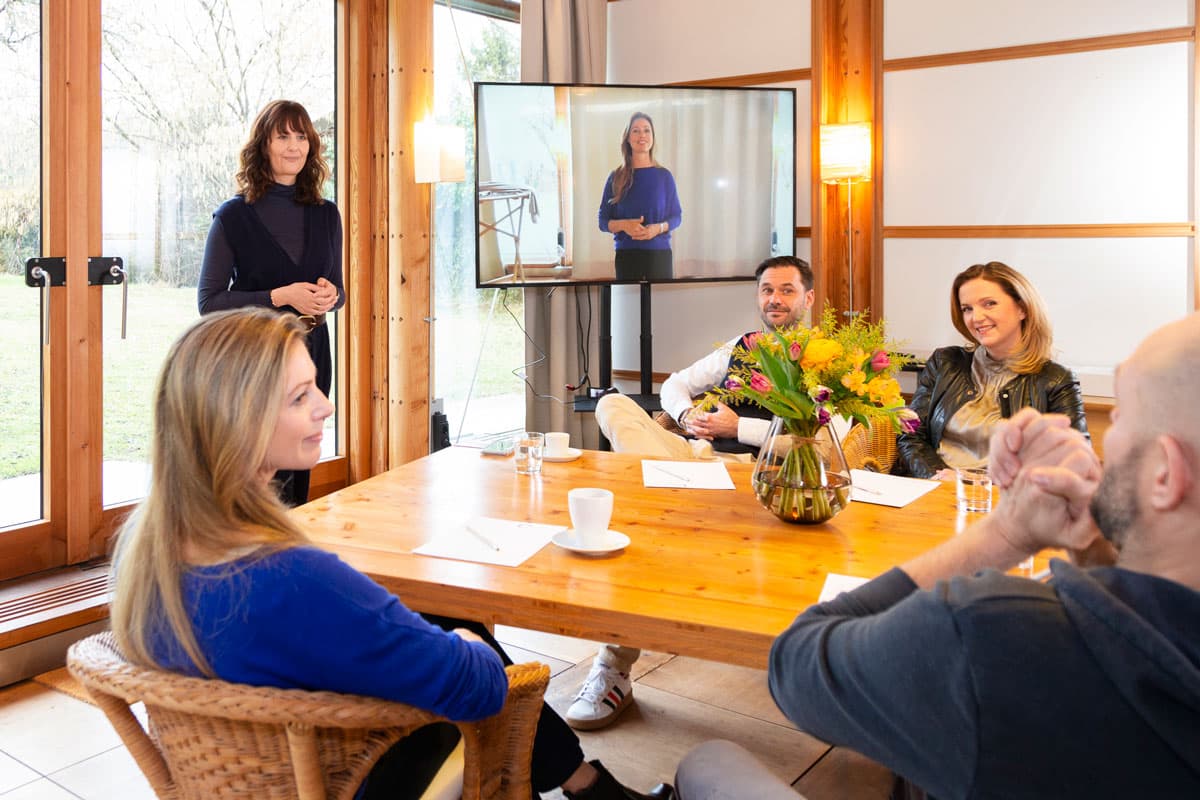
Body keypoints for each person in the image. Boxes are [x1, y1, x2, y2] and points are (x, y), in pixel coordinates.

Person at [109, 308, 673, 800]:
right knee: (479, 653)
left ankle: (588, 787)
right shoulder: (289, 576)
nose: (326, 407)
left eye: (316, 386)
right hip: (343, 779)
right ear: (236, 419)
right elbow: (477, 686)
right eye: (300, 396)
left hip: (243, 774)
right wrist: (472, 647)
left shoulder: (146, 547)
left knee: (443, 616)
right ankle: (588, 788)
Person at [676, 312, 1200, 798]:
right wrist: (1093, 541)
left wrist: (1006, 532)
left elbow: (797, 666)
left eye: (1125, 416)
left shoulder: (990, 629)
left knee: (709, 762)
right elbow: (914, 435)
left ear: (1164, 474)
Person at [567, 256, 814, 733]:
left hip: (751, 471)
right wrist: (684, 417)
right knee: (614, 403)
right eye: (766, 290)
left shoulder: (824, 357)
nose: (774, 300)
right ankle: (661, 488)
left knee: (641, 526)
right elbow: (676, 383)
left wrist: (737, 425)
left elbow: (825, 439)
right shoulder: (743, 345)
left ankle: (613, 660)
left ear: (807, 298)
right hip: (692, 456)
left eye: (786, 291)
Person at [198, 99, 344, 507]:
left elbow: (339, 291)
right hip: (257, 358)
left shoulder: (327, 214)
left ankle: (292, 547)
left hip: (312, 351)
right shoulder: (232, 217)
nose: (294, 146)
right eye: (283, 137)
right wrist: (280, 297)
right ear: (263, 145)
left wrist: (332, 297)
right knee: (259, 471)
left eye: (302, 137)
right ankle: (254, 556)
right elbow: (209, 303)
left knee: (299, 463)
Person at [897, 261, 1087, 479]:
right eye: (967, 308)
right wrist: (937, 477)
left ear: (1022, 308)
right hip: (935, 492)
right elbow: (911, 433)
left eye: (989, 304)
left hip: (1007, 502)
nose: (976, 318)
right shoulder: (945, 362)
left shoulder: (1056, 379)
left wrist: (982, 484)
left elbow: (1074, 462)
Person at [598, 112, 682, 282]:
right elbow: (602, 221)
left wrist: (657, 229)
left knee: (660, 307)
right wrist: (624, 225)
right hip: (627, 257)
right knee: (630, 308)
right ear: (628, 138)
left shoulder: (664, 176)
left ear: (653, 137)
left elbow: (677, 217)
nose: (642, 135)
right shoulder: (615, 177)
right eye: (636, 131)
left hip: (660, 256)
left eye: (646, 130)